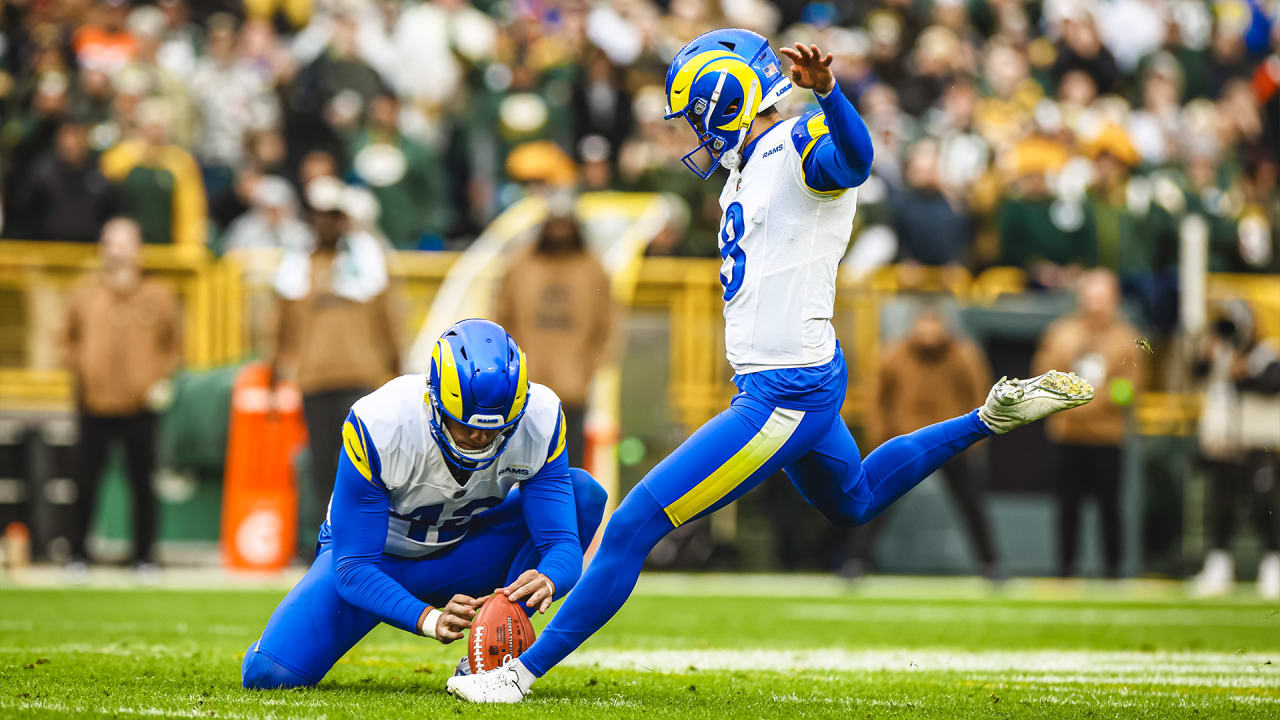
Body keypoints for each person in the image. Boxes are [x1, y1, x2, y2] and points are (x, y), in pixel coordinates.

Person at [448, 30, 1094, 703]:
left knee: (634, 523)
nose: (690, 134)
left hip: (784, 391)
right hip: (795, 377)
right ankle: (990, 416)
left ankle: (516, 676)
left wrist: (830, 94)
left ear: (726, 102)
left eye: (695, 116)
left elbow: (855, 158)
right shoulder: (750, 160)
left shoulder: (796, 148)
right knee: (856, 501)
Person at [242, 319, 607, 688]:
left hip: (462, 555)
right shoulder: (382, 423)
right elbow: (352, 567)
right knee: (269, 675)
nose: (481, 439)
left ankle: (494, 648)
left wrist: (549, 579)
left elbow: (561, 543)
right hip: (376, 563)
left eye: (496, 428)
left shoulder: (540, 418)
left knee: (583, 494)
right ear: (435, 401)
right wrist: (428, 618)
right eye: (466, 426)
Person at [268, 177, 403, 549]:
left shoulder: (368, 260)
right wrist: (275, 371)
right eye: (319, 215)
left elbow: (389, 319)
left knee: (365, 469)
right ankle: (321, 544)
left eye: (332, 215)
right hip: (314, 378)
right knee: (321, 469)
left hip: (362, 378)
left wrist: (395, 367)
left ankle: (369, 544)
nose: (326, 222)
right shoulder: (296, 265)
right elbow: (279, 326)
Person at [61, 217, 183, 572]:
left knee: (142, 481)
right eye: (110, 243)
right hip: (94, 403)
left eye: (124, 243)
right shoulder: (85, 293)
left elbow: (174, 344)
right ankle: (76, 554)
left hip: (140, 406)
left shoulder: (158, 295)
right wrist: (81, 370)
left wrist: (161, 379)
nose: (117, 251)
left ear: (139, 249)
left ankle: (145, 555)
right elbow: (66, 339)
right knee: (85, 480)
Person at [852, 307, 1000, 579]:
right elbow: (876, 398)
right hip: (907, 442)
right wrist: (881, 438)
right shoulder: (894, 354)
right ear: (914, 327)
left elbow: (980, 392)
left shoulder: (963, 354)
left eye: (935, 324)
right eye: (924, 324)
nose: (929, 332)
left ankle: (990, 564)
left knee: (972, 504)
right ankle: (857, 561)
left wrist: (976, 436)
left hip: (951, 440)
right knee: (877, 502)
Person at [1032, 269, 1145, 578]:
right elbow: (1044, 375)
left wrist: (1095, 403)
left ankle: (1113, 570)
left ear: (1114, 299)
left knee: (1110, 507)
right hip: (1067, 435)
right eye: (1091, 296)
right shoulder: (1060, 333)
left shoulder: (1128, 339)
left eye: (1102, 297)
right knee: (1067, 508)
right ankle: (1065, 570)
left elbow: (1129, 388)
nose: (1096, 305)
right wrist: (1070, 405)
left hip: (1107, 437)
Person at [495, 196, 617, 469]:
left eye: (565, 224)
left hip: (571, 390)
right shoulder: (520, 264)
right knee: (515, 469)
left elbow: (607, 326)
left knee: (569, 470)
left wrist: (589, 370)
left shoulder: (593, 268)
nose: (560, 231)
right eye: (555, 224)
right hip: (523, 390)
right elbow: (501, 319)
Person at [1191, 301, 1280, 598]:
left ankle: (1273, 564)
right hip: (1224, 444)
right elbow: (1196, 372)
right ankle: (1218, 564)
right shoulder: (1221, 354)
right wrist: (1211, 349)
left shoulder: (1266, 354)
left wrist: (1245, 374)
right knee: (1221, 506)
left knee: (1263, 506)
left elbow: (1272, 384)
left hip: (1259, 443)